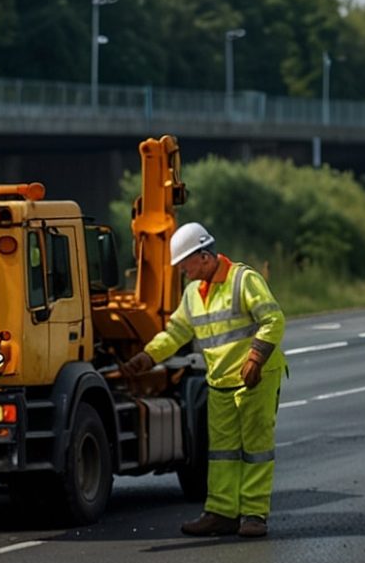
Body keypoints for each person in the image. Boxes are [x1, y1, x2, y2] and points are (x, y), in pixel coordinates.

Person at [119, 223, 285, 538]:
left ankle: (253, 515)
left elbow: (273, 320)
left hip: (256, 378)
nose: (183, 270)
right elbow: (177, 333)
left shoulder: (243, 280)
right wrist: (148, 357)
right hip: (221, 381)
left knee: (255, 448)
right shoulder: (193, 294)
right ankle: (222, 513)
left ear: (205, 257)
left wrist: (255, 358)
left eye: (186, 263)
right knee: (221, 452)